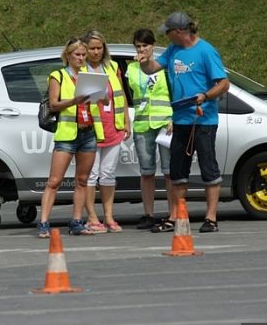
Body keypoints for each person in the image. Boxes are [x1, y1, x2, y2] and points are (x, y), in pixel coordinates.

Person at [137, 12, 230, 233]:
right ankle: (176, 216)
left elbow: (224, 83)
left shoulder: (206, 51)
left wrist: (205, 96)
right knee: (178, 171)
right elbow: (152, 68)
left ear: (178, 31)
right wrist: (144, 61)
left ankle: (211, 218)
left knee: (209, 168)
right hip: (180, 120)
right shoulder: (173, 50)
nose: (166, 36)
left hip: (203, 120)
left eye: (168, 32)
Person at [37, 38, 105, 238]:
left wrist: (102, 96)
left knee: (82, 180)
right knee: (54, 181)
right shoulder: (58, 75)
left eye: (83, 55)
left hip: (88, 132)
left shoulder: (90, 76)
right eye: (77, 55)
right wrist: (74, 100)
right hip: (67, 133)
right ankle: (43, 222)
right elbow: (53, 104)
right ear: (68, 56)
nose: (81, 58)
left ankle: (76, 221)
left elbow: (101, 101)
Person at [80, 30, 131, 233]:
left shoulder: (112, 66)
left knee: (108, 174)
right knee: (91, 175)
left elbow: (121, 95)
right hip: (91, 128)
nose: (96, 52)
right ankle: (92, 217)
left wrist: (126, 120)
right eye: (92, 48)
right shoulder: (80, 68)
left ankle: (109, 216)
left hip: (112, 127)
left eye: (99, 48)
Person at [126, 29, 174, 230]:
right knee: (146, 172)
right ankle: (148, 214)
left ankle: (173, 214)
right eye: (138, 46)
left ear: (153, 45)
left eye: (145, 45)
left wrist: (174, 118)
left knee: (170, 172)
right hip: (142, 124)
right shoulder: (131, 69)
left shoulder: (164, 67)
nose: (141, 49)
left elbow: (175, 93)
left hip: (165, 123)